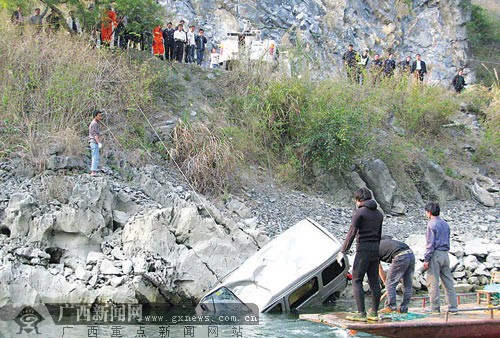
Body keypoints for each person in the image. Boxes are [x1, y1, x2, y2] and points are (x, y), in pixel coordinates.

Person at [339, 187, 383, 322]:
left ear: (358, 200)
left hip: (363, 250)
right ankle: (374, 313)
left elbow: (352, 233)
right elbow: (379, 234)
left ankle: (361, 314)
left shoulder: (360, 213)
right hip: (375, 249)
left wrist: (343, 251)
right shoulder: (379, 214)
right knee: (374, 282)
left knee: (357, 280)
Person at [423, 202, 458, 314]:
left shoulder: (431, 224)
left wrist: (426, 259)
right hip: (445, 254)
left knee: (432, 282)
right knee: (448, 282)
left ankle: (435, 308)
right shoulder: (445, 224)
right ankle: (453, 307)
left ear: (429, 212)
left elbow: (430, 244)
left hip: (435, 254)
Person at [378, 236, 415, 314]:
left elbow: (379, 269)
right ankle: (403, 308)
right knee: (407, 285)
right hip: (410, 253)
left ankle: (391, 307)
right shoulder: (387, 241)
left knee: (390, 283)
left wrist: (386, 282)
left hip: (399, 256)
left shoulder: (373, 249)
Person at [89, 111, 103, 176]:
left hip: (93, 142)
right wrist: (98, 142)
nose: (100, 117)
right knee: (95, 156)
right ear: (95, 116)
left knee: (95, 155)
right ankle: (93, 171)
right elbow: (95, 134)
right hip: (94, 142)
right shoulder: (94, 123)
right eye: (99, 116)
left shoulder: (94, 123)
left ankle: (94, 170)